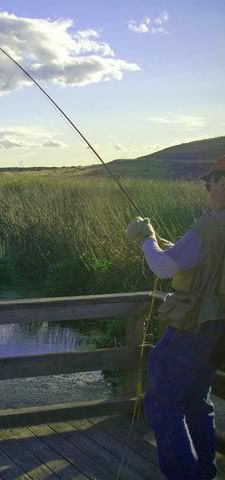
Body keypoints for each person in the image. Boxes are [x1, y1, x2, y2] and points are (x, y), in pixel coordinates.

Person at [126, 155, 225, 479]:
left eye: (211, 182)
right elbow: (196, 263)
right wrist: (164, 246)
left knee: (161, 400)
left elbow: (164, 268)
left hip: (192, 327)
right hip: (217, 329)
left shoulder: (212, 223)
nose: (208, 189)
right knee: (197, 401)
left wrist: (145, 238)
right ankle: (205, 471)